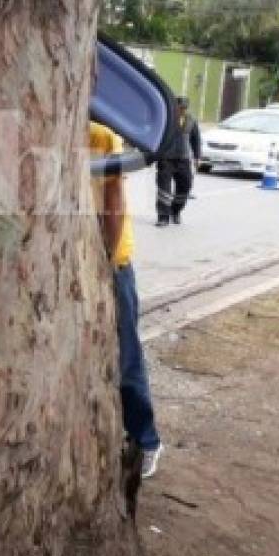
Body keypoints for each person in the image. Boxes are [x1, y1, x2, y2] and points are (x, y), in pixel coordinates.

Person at [90, 122, 163, 478]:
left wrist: (105, 261)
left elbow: (114, 202)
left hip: (110, 263)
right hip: (72, 267)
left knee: (126, 356)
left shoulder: (101, 136)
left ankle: (146, 440)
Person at [155, 96, 201, 226]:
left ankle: (175, 211)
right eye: (179, 108)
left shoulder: (191, 120)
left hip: (184, 159)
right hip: (166, 159)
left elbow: (196, 139)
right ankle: (163, 217)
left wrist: (197, 157)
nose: (181, 110)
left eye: (184, 108)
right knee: (164, 189)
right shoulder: (165, 118)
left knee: (185, 187)